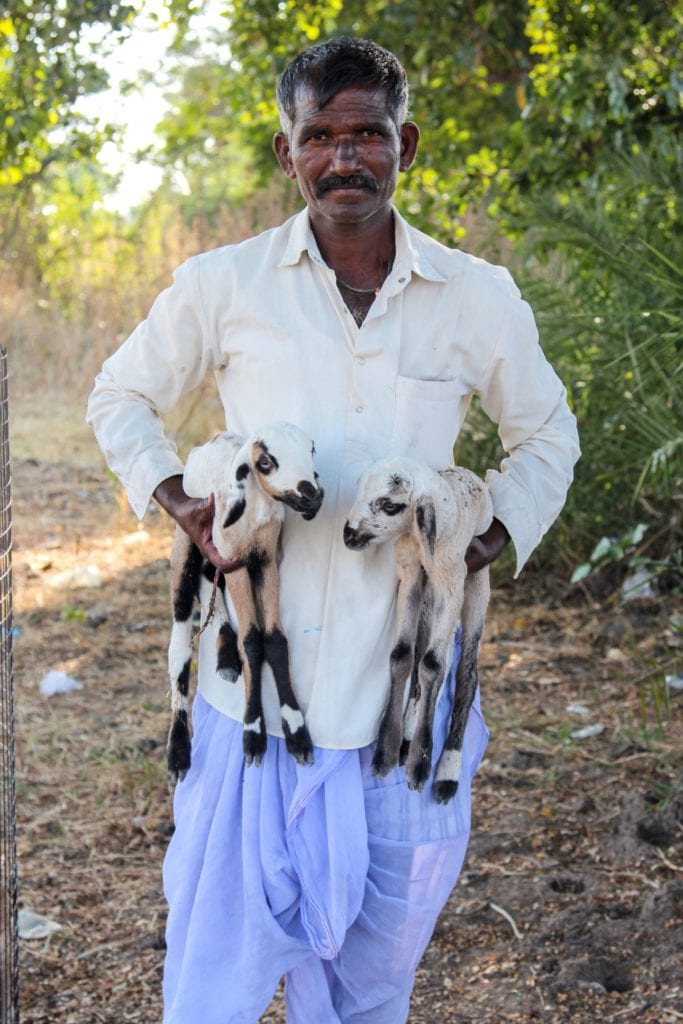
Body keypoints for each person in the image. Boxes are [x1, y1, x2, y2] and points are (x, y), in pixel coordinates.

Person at [87, 36, 580, 1024]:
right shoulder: (224, 284)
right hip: (250, 695)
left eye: (366, 134)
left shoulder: (471, 296)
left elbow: (545, 433)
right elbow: (120, 395)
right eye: (319, 135)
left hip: (407, 693)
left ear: (406, 142)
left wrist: (489, 535)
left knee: (371, 979)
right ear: (287, 153)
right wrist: (181, 500)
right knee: (213, 969)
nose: (343, 157)